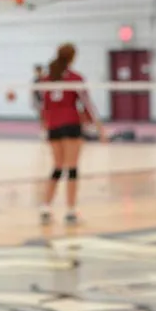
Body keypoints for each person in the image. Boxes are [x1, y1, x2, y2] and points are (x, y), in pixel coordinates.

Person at [38, 43, 105, 225]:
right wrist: (99, 128)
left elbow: (44, 106)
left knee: (57, 167)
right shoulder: (75, 78)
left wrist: (44, 126)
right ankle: (71, 211)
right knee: (72, 168)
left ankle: (45, 206)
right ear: (72, 57)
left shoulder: (46, 79)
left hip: (53, 125)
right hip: (70, 123)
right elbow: (87, 103)